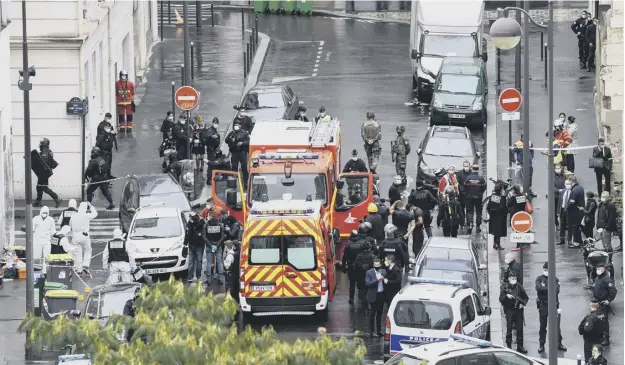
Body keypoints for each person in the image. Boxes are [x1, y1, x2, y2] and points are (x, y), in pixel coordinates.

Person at [535, 262, 567, 353]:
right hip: (543, 305)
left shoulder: (555, 279)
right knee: (542, 326)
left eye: (547, 270)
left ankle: (559, 343)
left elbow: (556, 290)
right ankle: (541, 344)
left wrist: (545, 288)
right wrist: (549, 288)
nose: (545, 271)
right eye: (544, 270)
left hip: (553, 305)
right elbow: (538, 288)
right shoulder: (539, 278)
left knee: (556, 325)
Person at [499, 272, 529, 353]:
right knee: (509, 329)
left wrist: (522, 304)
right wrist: (506, 296)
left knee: (520, 328)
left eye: (515, 278)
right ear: (508, 279)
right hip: (509, 310)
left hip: (518, 310)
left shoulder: (519, 286)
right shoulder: (504, 287)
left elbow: (526, 297)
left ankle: (520, 346)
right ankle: (509, 346)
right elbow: (501, 299)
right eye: (512, 278)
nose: (514, 280)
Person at [344, 224, 372, 305]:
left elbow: (344, 257)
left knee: (352, 284)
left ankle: (351, 298)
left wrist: (343, 267)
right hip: (361, 267)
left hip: (351, 267)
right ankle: (363, 298)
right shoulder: (363, 243)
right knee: (362, 283)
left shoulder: (348, 245)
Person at [70, 201, 98, 274]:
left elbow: (70, 225)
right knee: (88, 250)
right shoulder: (86, 215)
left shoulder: (73, 215)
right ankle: (85, 265)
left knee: (78, 252)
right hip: (84, 235)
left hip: (75, 235)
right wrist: (91, 206)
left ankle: (78, 269)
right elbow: (95, 214)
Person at [593, 263, 617, 345]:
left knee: (604, 321)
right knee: (597, 319)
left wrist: (608, 300)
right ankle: (600, 336)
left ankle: (606, 339)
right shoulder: (597, 278)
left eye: (599, 269)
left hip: (603, 303)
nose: (598, 270)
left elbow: (613, 291)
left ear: (603, 270)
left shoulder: (607, 279)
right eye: (597, 269)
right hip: (597, 302)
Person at [34, 138, 62, 208]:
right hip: (44, 173)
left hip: (44, 173)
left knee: (44, 188)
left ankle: (57, 199)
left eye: (41, 143)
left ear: (44, 144)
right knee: (39, 187)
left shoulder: (45, 152)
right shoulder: (48, 151)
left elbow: (43, 163)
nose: (40, 144)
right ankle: (38, 201)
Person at [203, 210, 226, 287]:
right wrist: (217, 245)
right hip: (218, 246)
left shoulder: (206, 225)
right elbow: (222, 236)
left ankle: (209, 280)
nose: (207, 217)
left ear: (210, 216)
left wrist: (210, 245)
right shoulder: (220, 225)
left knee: (209, 263)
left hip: (209, 246)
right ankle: (220, 279)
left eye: (208, 215)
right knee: (219, 262)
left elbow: (204, 236)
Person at [225, 119, 250, 187]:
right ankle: (234, 183)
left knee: (244, 168)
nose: (236, 126)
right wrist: (231, 139)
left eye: (237, 125)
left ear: (240, 126)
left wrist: (242, 143)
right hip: (234, 153)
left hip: (242, 153)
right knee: (234, 168)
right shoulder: (232, 133)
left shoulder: (244, 133)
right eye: (235, 125)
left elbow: (249, 141)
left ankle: (246, 182)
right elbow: (226, 141)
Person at [365, 257, 386, 337]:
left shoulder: (383, 271)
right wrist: (377, 280)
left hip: (381, 295)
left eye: (378, 265)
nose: (377, 266)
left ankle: (379, 330)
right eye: (375, 265)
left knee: (380, 313)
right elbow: (368, 283)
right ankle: (372, 331)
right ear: (373, 265)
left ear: (380, 265)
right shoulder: (369, 272)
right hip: (373, 295)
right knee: (372, 313)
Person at [354, 240, 377, 314]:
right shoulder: (373, 256)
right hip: (371, 278)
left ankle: (365, 308)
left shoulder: (359, 256)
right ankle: (370, 305)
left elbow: (355, 267)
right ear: (370, 248)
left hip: (361, 278)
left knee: (363, 292)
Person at [464, 164, 486, 234]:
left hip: (469, 197)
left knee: (469, 211)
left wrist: (468, 193)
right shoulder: (481, 179)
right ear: (478, 169)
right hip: (478, 198)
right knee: (478, 212)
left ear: (472, 169)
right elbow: (484, 187)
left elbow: (465, 187)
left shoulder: (468, 178)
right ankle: (478, 226)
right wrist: (480, 193)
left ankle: (470, 225)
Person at [185, 213, 206, 282]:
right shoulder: (201, 222)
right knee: (199, 261)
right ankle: (198, 276)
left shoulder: (190, 223)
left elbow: (188, 234)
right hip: (200, 245)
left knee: (191, 261)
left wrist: (185, 243)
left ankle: (190, 277)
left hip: (191, 245)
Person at [486, 183, 507, 250]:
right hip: (500, 216)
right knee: (499, 231)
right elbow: (502, 208)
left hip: (493, 216)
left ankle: (495, 243)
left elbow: (488, 207)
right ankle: (498, 244)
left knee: (495, 231)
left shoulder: (492, 196)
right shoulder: (502, 197)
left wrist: (491, 213)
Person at [566, 175, 585, 248]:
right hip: (580, 212)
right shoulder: (580, 188)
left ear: (571, 181)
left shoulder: (574, 191)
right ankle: (579, 241)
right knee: (577, 227)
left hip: (573, 213)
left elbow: (572, 202)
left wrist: (567, 208)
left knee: (574, 228)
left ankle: (576, 242)